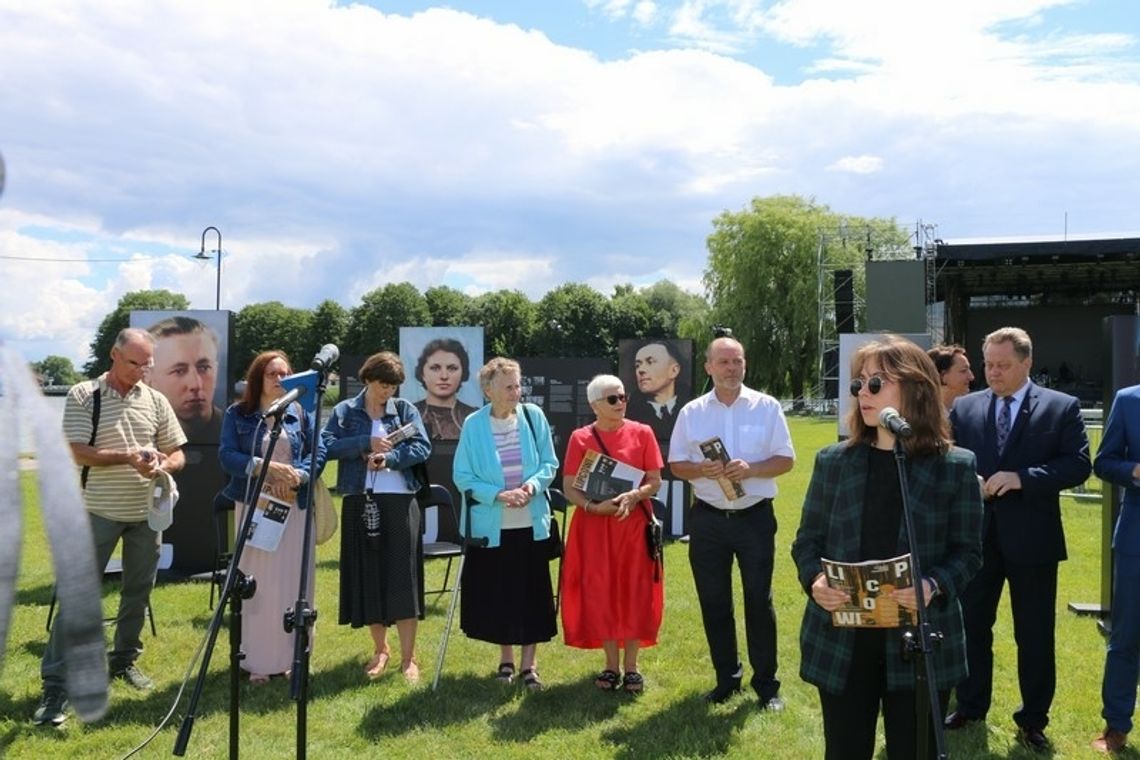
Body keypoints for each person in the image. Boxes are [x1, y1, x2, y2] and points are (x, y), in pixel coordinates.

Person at [790, 335, 984, 760]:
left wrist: (933, 585)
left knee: (916, 750)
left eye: (876, 383)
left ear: (915, 389)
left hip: (920, 641)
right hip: (844, 639)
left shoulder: (956, 466)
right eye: (858, 384)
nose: (863, 394)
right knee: (844, 750)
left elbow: (969, 552)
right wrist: (815, 580)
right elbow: (807, 542)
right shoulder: (833, 461)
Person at [944, 326, 1091, 751]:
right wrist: (966, 477)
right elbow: (946, 454)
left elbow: (1078, 465)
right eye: (988, 364)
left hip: (1034, 540)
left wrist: (1022, 478)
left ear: (1027, 364)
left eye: (1003, 365)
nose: (993, 372)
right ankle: (970, 705)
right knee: (973, 625)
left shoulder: (1061, 408)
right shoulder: (964, 407)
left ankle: (1032, 720)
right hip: (976, 540)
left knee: (1034, 633)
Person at [34, 328, 187, 726]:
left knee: (138, 592)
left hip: (147, 515)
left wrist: (161, 464)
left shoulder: (154, 400)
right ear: (114, 356)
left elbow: (178, 453)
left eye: (146, 363)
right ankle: (56, 686)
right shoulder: (85, 395)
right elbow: (76, 451)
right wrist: (130, 457)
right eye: (134, 362)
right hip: (97, 512)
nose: (141, 370)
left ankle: (123, 662)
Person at [667, 336, 795, 707]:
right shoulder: (692, 412)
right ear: (708, 367)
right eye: (723, 362)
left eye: (736, 361)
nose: (731, 368)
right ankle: (727, 679)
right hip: (707, 521)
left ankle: (767, 685)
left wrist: (752, 468)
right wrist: (700, 469)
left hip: (754, 518)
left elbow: (786, 460)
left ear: (745, 364)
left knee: (759, 601)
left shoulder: (766, 407)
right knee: (714, 602)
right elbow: (676, 464)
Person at [322, 352, 432, 682]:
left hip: (400, 501)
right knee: (370, 576)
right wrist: (363, 443)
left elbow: (422, 447)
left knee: (403, 579)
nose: (388, 392)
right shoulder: (344, 411)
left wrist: (391, 457)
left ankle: (409, 657)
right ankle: (381, 649)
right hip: (360, 500)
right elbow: (326, 446)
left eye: (394, 387)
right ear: (368, 379)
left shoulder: (406, 410)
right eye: (383, 385)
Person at [452, 357, 559, 690]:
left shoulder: (533, 416)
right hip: (493, 527)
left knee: (532, 595)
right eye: (509, 386)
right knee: (501, 595)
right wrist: (498, 494)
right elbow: (462, 476)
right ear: (488, 390)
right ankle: (506, 661)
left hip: (531, 523)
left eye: (518, 385)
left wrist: (530, 487)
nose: (517, 392)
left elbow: (549, 463)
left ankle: (530, 667)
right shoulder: (473, 424)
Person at [219, 351, 324, 684]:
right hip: (255, 507)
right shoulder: (239, 414)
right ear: (257, 379)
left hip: (294, 507)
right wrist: (265, 470)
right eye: (272, 374)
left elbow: (317, 452)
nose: (279, 379)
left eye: (285, 373)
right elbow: (227, 455)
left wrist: (298, 477)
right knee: (256, 585)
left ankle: (295, 655)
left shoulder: (302, 414)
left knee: (295, 581)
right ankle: (258, 661)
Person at [560, 374, 664, 694]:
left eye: (622, 397)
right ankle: (610, 664)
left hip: (633, 526)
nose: (620, 403)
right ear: (594, 406)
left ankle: (632, 667)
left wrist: (635, 496)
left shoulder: (643, 433)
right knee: (601, 590)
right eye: (612, 399)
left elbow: (654, 480)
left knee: (635, 590)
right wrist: (593, 508)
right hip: (594, 527)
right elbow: (569, 487)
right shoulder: (580, 438)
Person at [1092, 383, 1140, 754]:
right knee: (1125, 637)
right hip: (1135, 543)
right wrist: (1135, 470)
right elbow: (1104, 461)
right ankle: (1116, 726)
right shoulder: (1129, 400)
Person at [146, 316, 223, 443]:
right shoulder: (134, 435)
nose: (196, 384)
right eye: (179, 371)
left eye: (204, 368)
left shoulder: (236, 435)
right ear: (148, 378)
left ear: (216, 369)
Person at [413, 338, 479, 440]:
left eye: (452, 368)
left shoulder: (474, 416)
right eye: (435, 368)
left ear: (463, 373)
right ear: (422, 374)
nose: (444, 376)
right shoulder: (409, 414)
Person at [628, 340, 686, 440]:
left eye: (650, 362)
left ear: (674, 370)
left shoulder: (692, 410)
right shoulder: (628, 413)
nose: (641, 370)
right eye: (637, 365)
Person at [927, 343, 974, 412]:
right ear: (942, 376)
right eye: (963, 371)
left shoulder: (969, 413)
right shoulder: (918, 416)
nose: (971, 377)